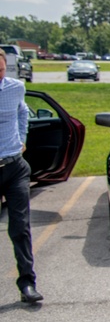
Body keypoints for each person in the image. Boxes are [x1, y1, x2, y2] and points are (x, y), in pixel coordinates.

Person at [0, 55, 41, 304]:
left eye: (2, 70)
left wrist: (23, 138)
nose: (0, 75)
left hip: (14, 166)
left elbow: (22, 112)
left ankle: (27, 283)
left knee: (20, 228)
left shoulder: (16, 88)